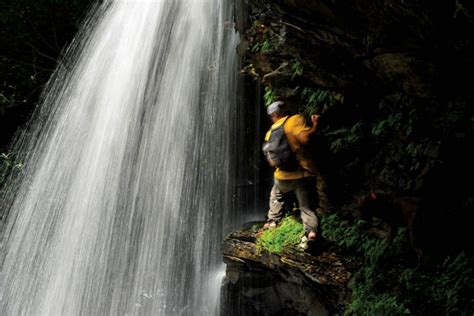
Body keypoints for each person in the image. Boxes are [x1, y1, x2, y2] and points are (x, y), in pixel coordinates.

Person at [262, 100, 320, 241]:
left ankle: (272, 221)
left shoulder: (270, 132)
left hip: (281, 177)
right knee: (306, 207)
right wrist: (315, 125)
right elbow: (306, 139)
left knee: (275, 195)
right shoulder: (294, 120)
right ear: (284, 111)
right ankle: (311, 232)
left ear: (273, 115)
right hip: (300, 175)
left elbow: (270, 159)